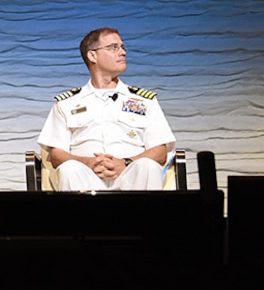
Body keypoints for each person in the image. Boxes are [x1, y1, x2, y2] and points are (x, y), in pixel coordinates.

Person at [37, 27, 174, 190]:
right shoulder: (67, 104)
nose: (122, 52)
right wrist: (88, 162)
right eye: (113, 47)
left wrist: (125, 163)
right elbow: (57, 155)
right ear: (92, 55)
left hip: (131, 175)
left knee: (147, 165)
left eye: (123, 47)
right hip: (86, 176)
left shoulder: (144, 100)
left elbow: (160, 151)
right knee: (69, 168)